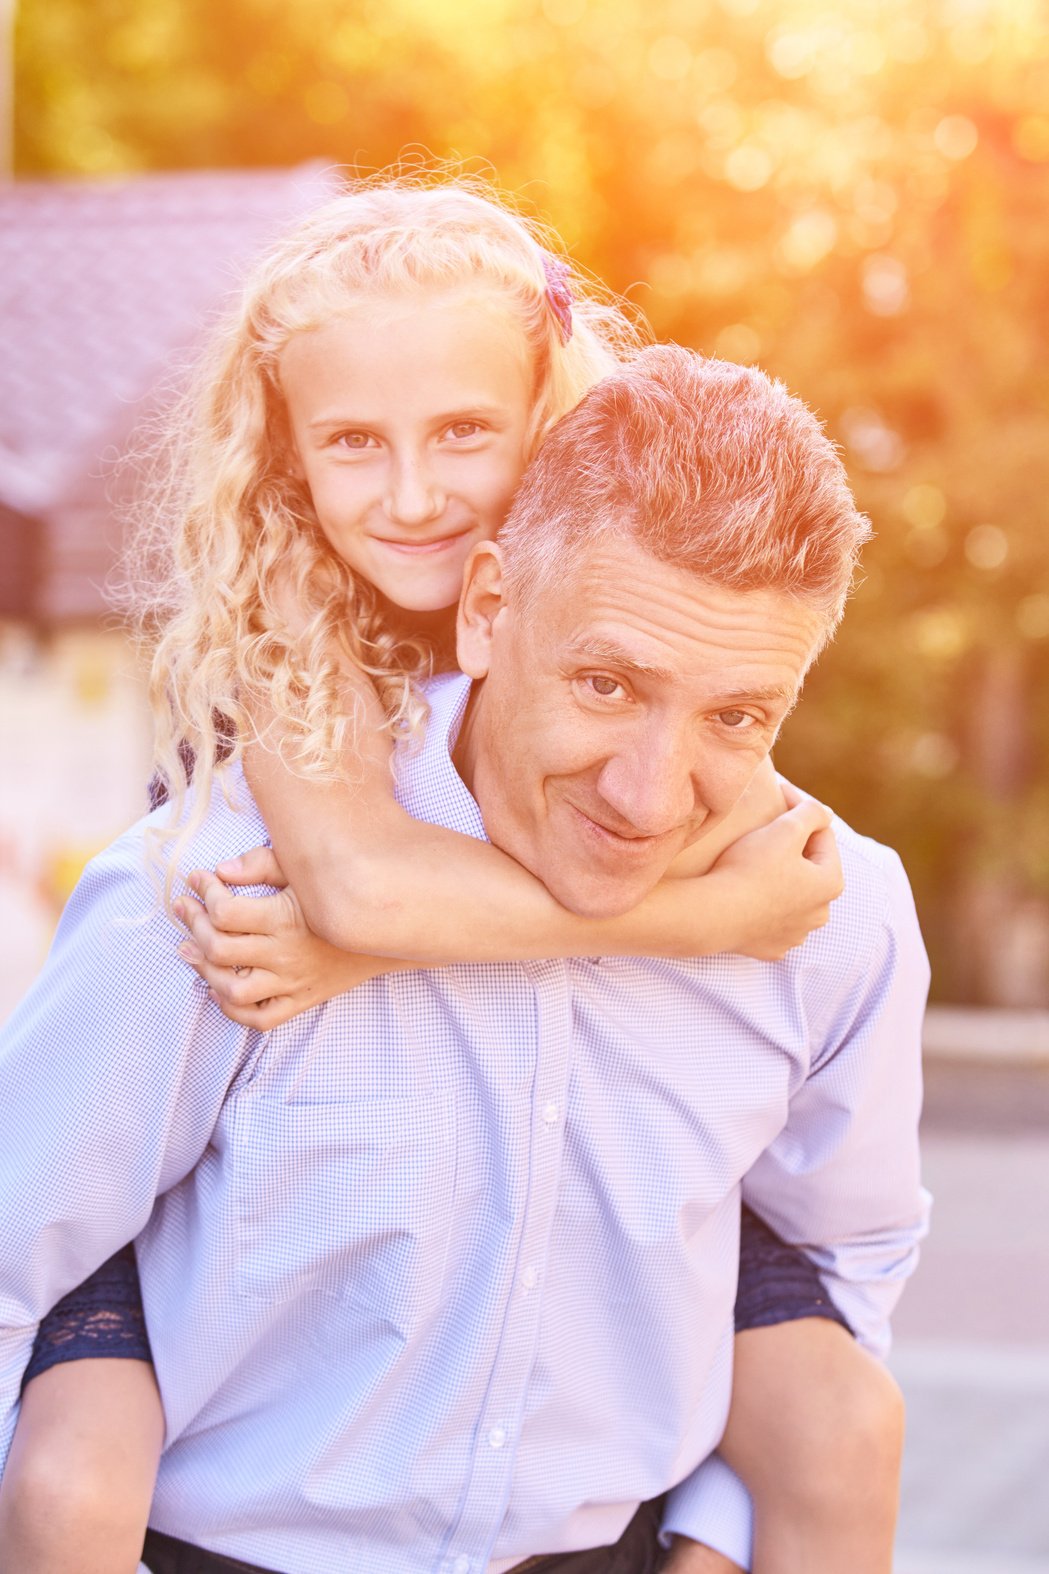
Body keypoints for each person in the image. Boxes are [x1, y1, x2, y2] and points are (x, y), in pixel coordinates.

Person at [0, 179, 854, 1574]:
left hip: (584, 1218)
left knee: (835, 1433)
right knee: (75, 1482)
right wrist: (708, 914)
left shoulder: (616, 604)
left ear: (552, 418)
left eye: (464, 431)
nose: (413, 497)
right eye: (350, 444)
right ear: (285, 461)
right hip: (172, 1169)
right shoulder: (291, 628)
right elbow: (358, 896)